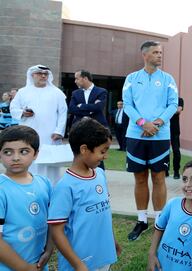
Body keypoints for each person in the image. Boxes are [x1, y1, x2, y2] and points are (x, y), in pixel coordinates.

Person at [122, 40, 178, 241]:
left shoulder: (168, 79)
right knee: (139, 178)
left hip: (160, 136)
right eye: (156, 52)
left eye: (161, 52)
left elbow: (173, 104)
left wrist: (157, 123)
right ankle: (142, 220)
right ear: (145, 55)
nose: (160, 55)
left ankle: (160, 222)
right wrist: (143, 123)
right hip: (136, 134)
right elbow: (127, 105)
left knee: (158, 177)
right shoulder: (131, 78)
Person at [47, 118, 120, 271]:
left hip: (103, 256)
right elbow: (56, 232)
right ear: (84, 149)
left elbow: (105, 213)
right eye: (102, 151)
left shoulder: (100, 174)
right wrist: (78, 264)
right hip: (80, 263)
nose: (105, 156)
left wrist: (112, 241)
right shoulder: (65, 187)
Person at [0, 125, 53, 271]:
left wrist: (49, 250)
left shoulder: (45, 183)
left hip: (39, 264)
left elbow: (52, 222)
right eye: (8, 152)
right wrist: (25, 268)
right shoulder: (1, 189)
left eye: (24, 151)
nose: (15, 157)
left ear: (35, 153)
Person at [148, 159, 192, 271]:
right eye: (185, 179)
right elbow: (159, 229)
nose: (188, 184)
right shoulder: (172, 204)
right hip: (161, 266)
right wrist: (152, 254)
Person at [10, 64, 68, 184]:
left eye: (45, 74)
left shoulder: (56, 92)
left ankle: (50, 188)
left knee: (49, 163)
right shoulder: (23, 92)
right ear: (32, 75)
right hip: (28, 133)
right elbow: (13, 108)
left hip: (50, 135)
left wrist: (59, 131)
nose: (43, 76)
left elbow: (63, 113)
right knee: (29, 158)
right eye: (39, 74)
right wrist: (23, 113)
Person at [167, 97, 184, 179]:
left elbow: (178, 110)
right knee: (164, 151)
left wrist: (166, 111)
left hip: (175, 130)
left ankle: (176, 171)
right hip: (164, 130)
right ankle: (165, 170)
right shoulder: (164, 99)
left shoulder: (179, 100)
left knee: (176, 151)